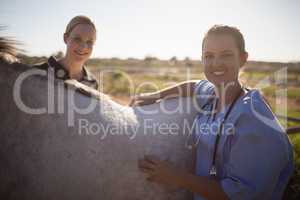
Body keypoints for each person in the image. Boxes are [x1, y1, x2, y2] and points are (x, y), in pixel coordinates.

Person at [133, 25, 294, 200]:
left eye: (226, 55)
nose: (216, 63)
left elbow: (241, 194)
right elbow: (195, 85)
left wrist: (177, 177)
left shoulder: (254, 121)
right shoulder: (213, 94)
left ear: (242, 59)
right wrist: (156, 95)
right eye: (209, 56)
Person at [35, 15, 98, 89]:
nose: (83, 47)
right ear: (65, 38)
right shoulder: (37, 72)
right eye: (77, 39)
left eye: (89, 41)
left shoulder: (93, 83)